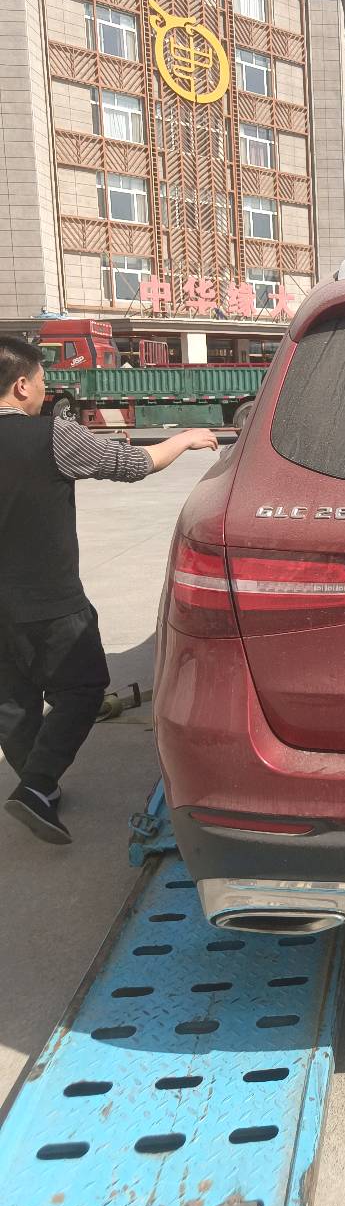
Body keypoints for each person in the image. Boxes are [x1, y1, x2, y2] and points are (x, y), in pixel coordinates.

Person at [0, 335, 218, 845]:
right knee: (81, 690)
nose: (45, 391)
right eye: (42, 381)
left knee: (12, 700)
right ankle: (37, 784)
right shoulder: (51, 435)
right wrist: (185, 438)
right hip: (49, 600)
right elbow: (135, 464)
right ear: (21, 385)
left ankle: (39, 785)